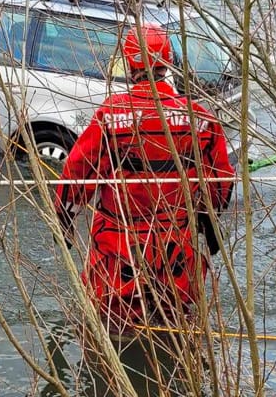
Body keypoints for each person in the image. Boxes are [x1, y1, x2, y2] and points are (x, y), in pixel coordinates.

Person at [53, 26, 234, 334]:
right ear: (168, 61)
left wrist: (64, 219)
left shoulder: (112, 114)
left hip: (119, 251)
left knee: (109, 328)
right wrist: (208, 222)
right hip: (176, 250)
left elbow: (77, 172)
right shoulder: (199, 118)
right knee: (177, 327)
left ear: (128, 62)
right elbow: (220, 183)